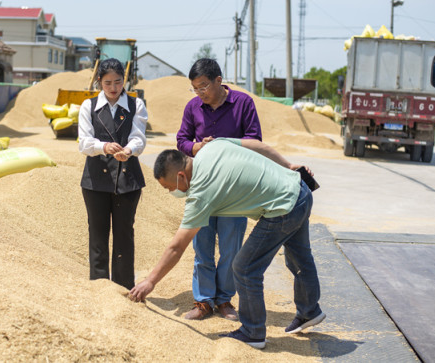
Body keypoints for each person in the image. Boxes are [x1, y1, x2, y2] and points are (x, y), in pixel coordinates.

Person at [129, 138, 325, 349]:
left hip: (283, 209)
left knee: (244, 267)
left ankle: (253, 332)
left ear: (181, 176)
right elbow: (256, 144)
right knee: (300, 257)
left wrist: (150, 281)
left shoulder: (201, 192)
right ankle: (309, 311)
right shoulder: (211, 147)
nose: (170, 192)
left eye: (169, 187)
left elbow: (177, 247)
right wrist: (287, 165)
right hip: (299, 189)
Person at [176, 58, 262, 321]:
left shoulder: (244, 103)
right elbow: (181, 140)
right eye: (195, 88)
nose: (200, 93)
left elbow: (255, 140)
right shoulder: (193, 107)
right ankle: (203, 301)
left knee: (231, 248)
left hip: (233, 189)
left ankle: (225, 300)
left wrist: (225, 145)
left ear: (218, 80)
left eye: (203, 86)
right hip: (202, 187)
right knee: (202, 247)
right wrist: (197, 148)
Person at [78, 58, 148, 290]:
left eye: (118, 82)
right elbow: (84, 143)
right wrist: (104, 147)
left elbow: (139, 137)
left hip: (128, 180)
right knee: (97, 236)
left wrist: (129, 150)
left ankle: (124, 287)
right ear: (99, 82)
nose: (113, 87)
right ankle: (99, 289)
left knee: (124, 235)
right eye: (107, 82)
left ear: (124, 80)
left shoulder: (135, 105)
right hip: (95, 180)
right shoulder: (88, 106)